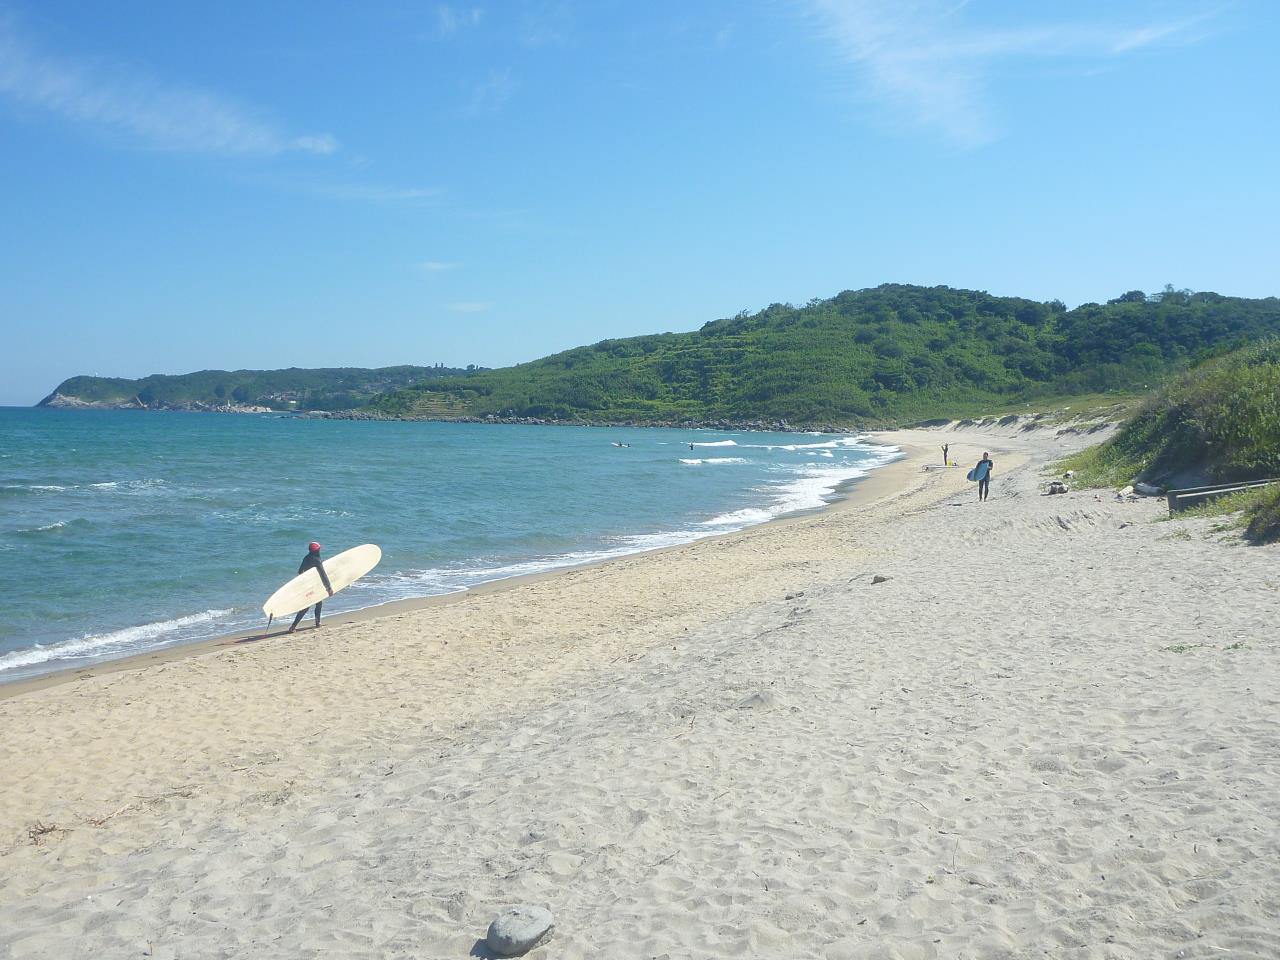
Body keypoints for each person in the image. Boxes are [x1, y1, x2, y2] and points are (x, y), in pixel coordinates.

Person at [289, 541, 334, 632]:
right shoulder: (316, 560)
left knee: (319, 602)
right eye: (319, 549)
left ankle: (317, 623)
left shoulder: (306, 558)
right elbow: (323, 575)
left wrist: (304, 582)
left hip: (307, 585)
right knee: (306, 607)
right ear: (317, 550)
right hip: (313, 585)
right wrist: (329, 588)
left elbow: (300, 571)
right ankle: (293, 627)